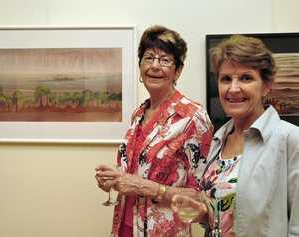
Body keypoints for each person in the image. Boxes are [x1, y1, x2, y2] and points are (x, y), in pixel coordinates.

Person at [171, 34, 299, 237]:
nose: (233, 88)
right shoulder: (218, 141)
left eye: (246, 78)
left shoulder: (290, 140)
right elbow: (226, 216)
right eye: (226, 79)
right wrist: (205, 214)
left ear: (266, 85)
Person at [95, 25, 213, 237]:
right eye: (149, 58)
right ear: (140, 66)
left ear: (178, 70)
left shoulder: (194, 117)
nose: (155, 66)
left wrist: (144, 187)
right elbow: (134, 173)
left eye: (165, 60)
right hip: (125, 226)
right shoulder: (139, 113)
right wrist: (113, 179)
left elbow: (201, 197)